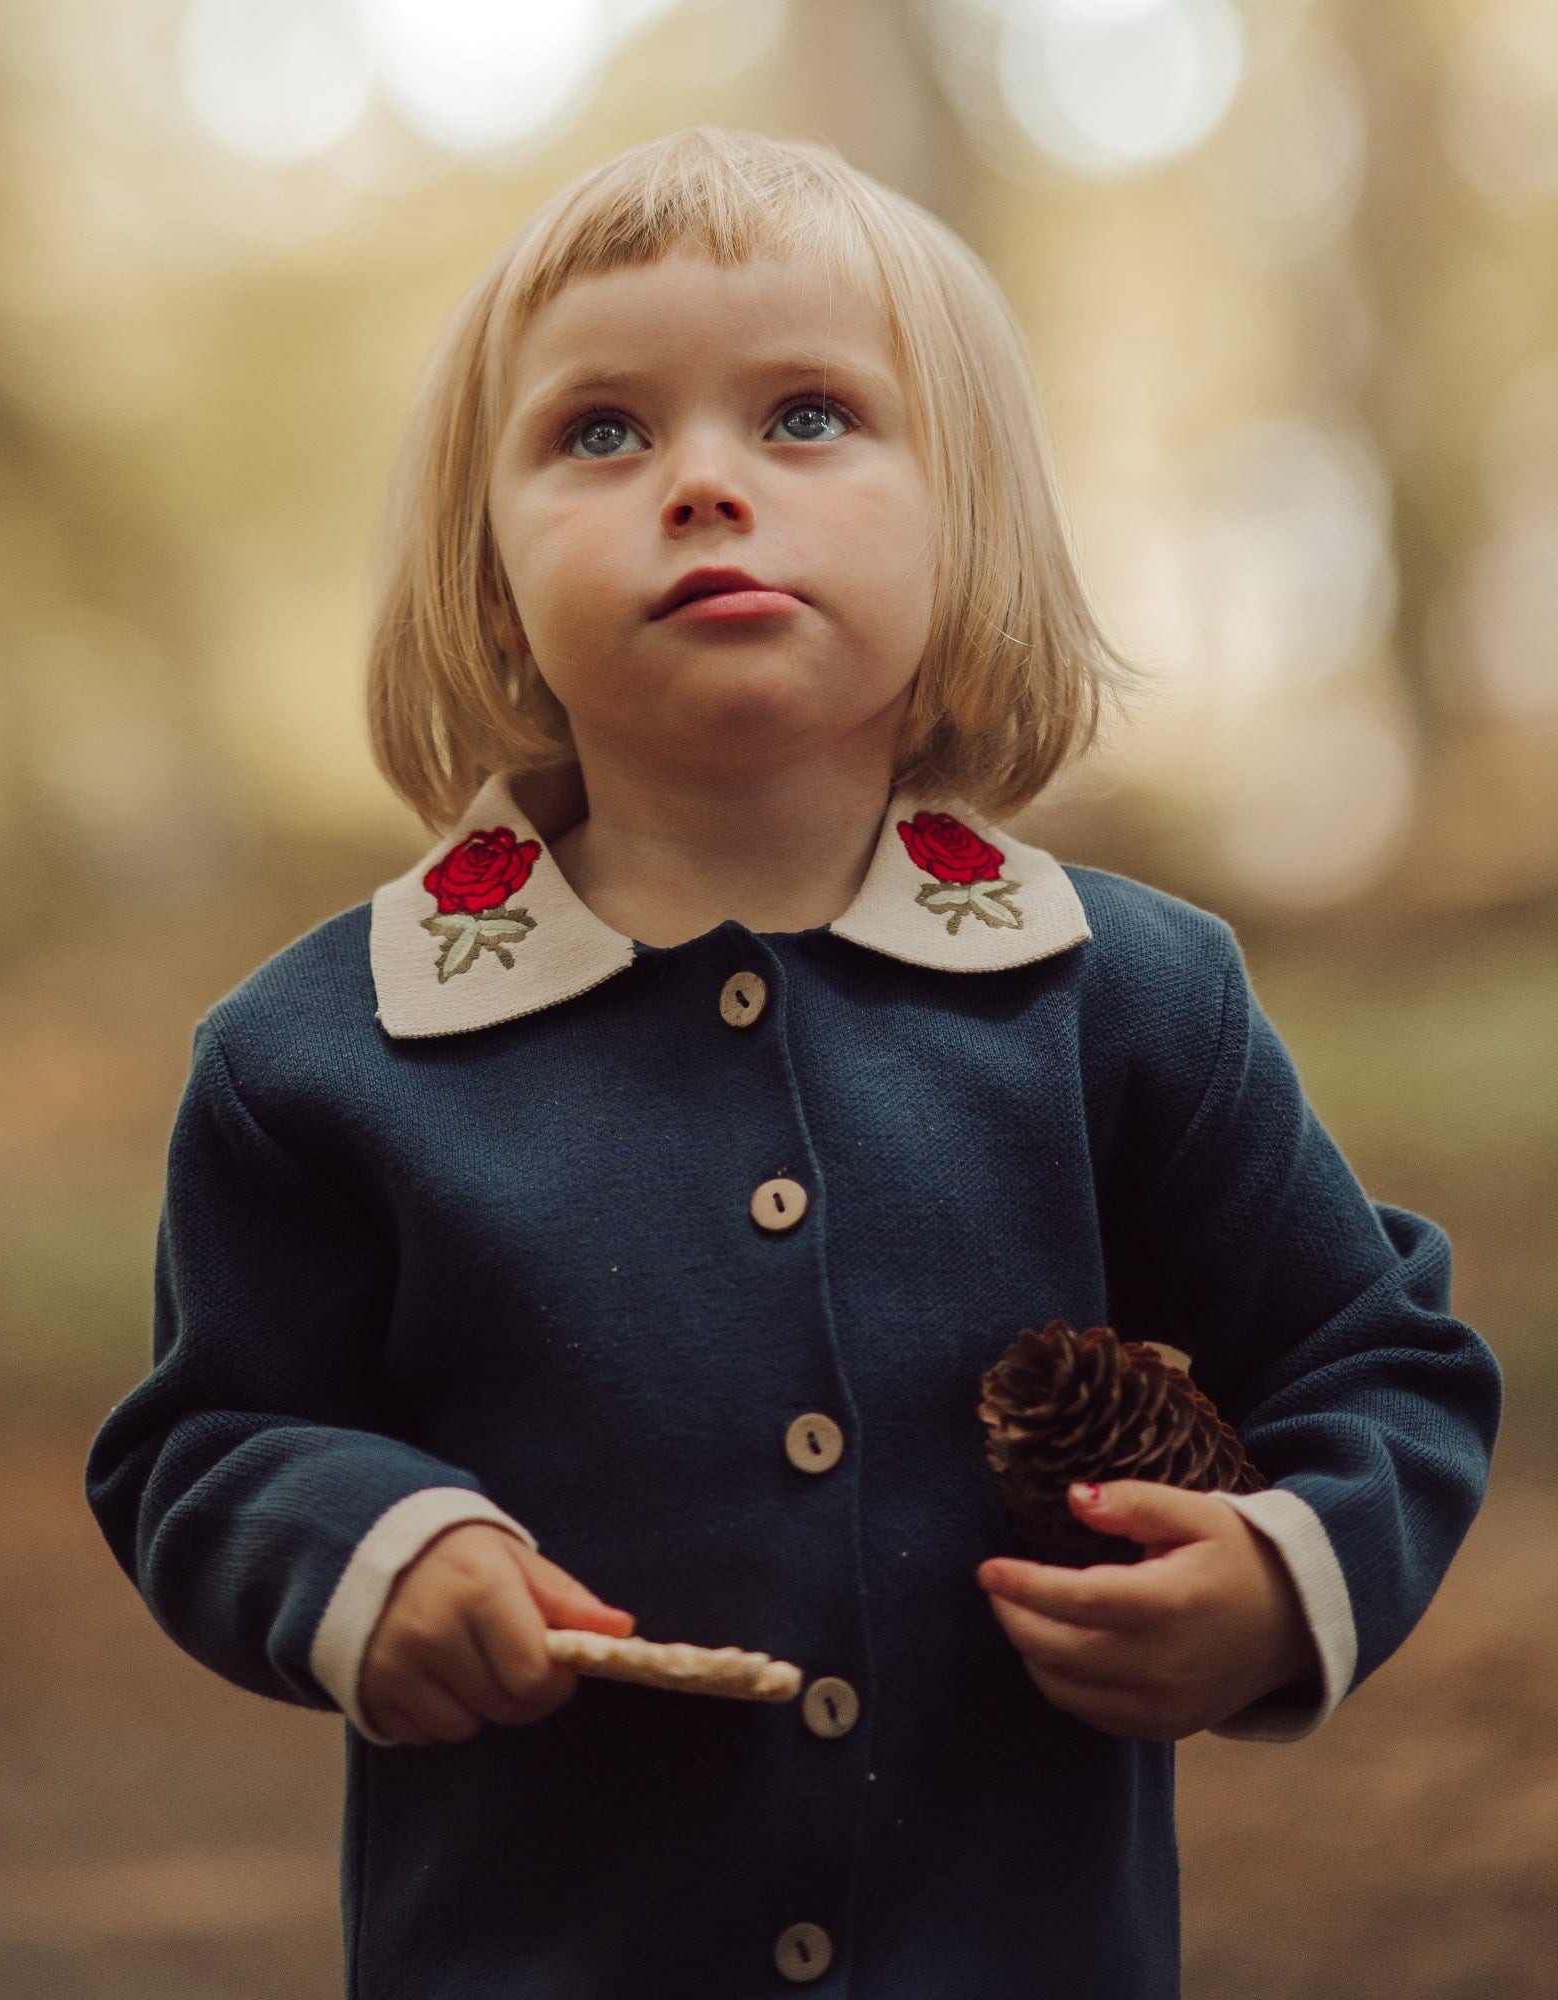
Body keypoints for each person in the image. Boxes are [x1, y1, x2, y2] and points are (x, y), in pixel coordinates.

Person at [85, 128, 1500, 1999]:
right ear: (491, 573)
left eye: (809, 414)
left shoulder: (1127, 998)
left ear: (965, 519)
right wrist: (362, 1551)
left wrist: (1284, 1579)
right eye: (600, 432)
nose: (701, 484)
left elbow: (1376, 1359)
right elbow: (203, 1438)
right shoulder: (323, 1055)